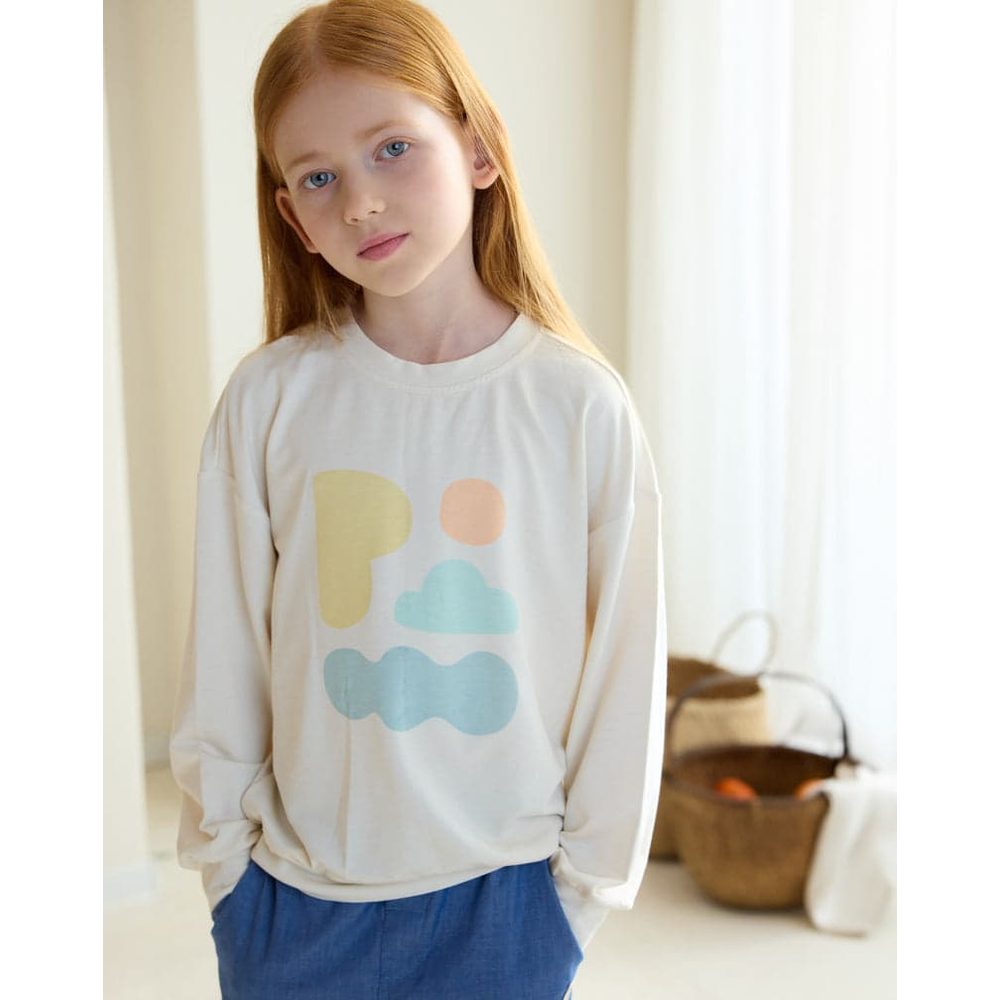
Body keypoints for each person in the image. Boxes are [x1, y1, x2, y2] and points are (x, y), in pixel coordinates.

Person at [168, 1, 668, 997]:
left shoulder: (576, 404)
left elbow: (626, 667)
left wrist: (577, 896)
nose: (361, 201)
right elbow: (225, 651)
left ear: (479, 150)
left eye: (392, 148)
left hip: (508, 900)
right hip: (290, 905)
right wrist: (226, 869)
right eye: (319, 177)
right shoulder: (271, 399)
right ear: (291, 216)